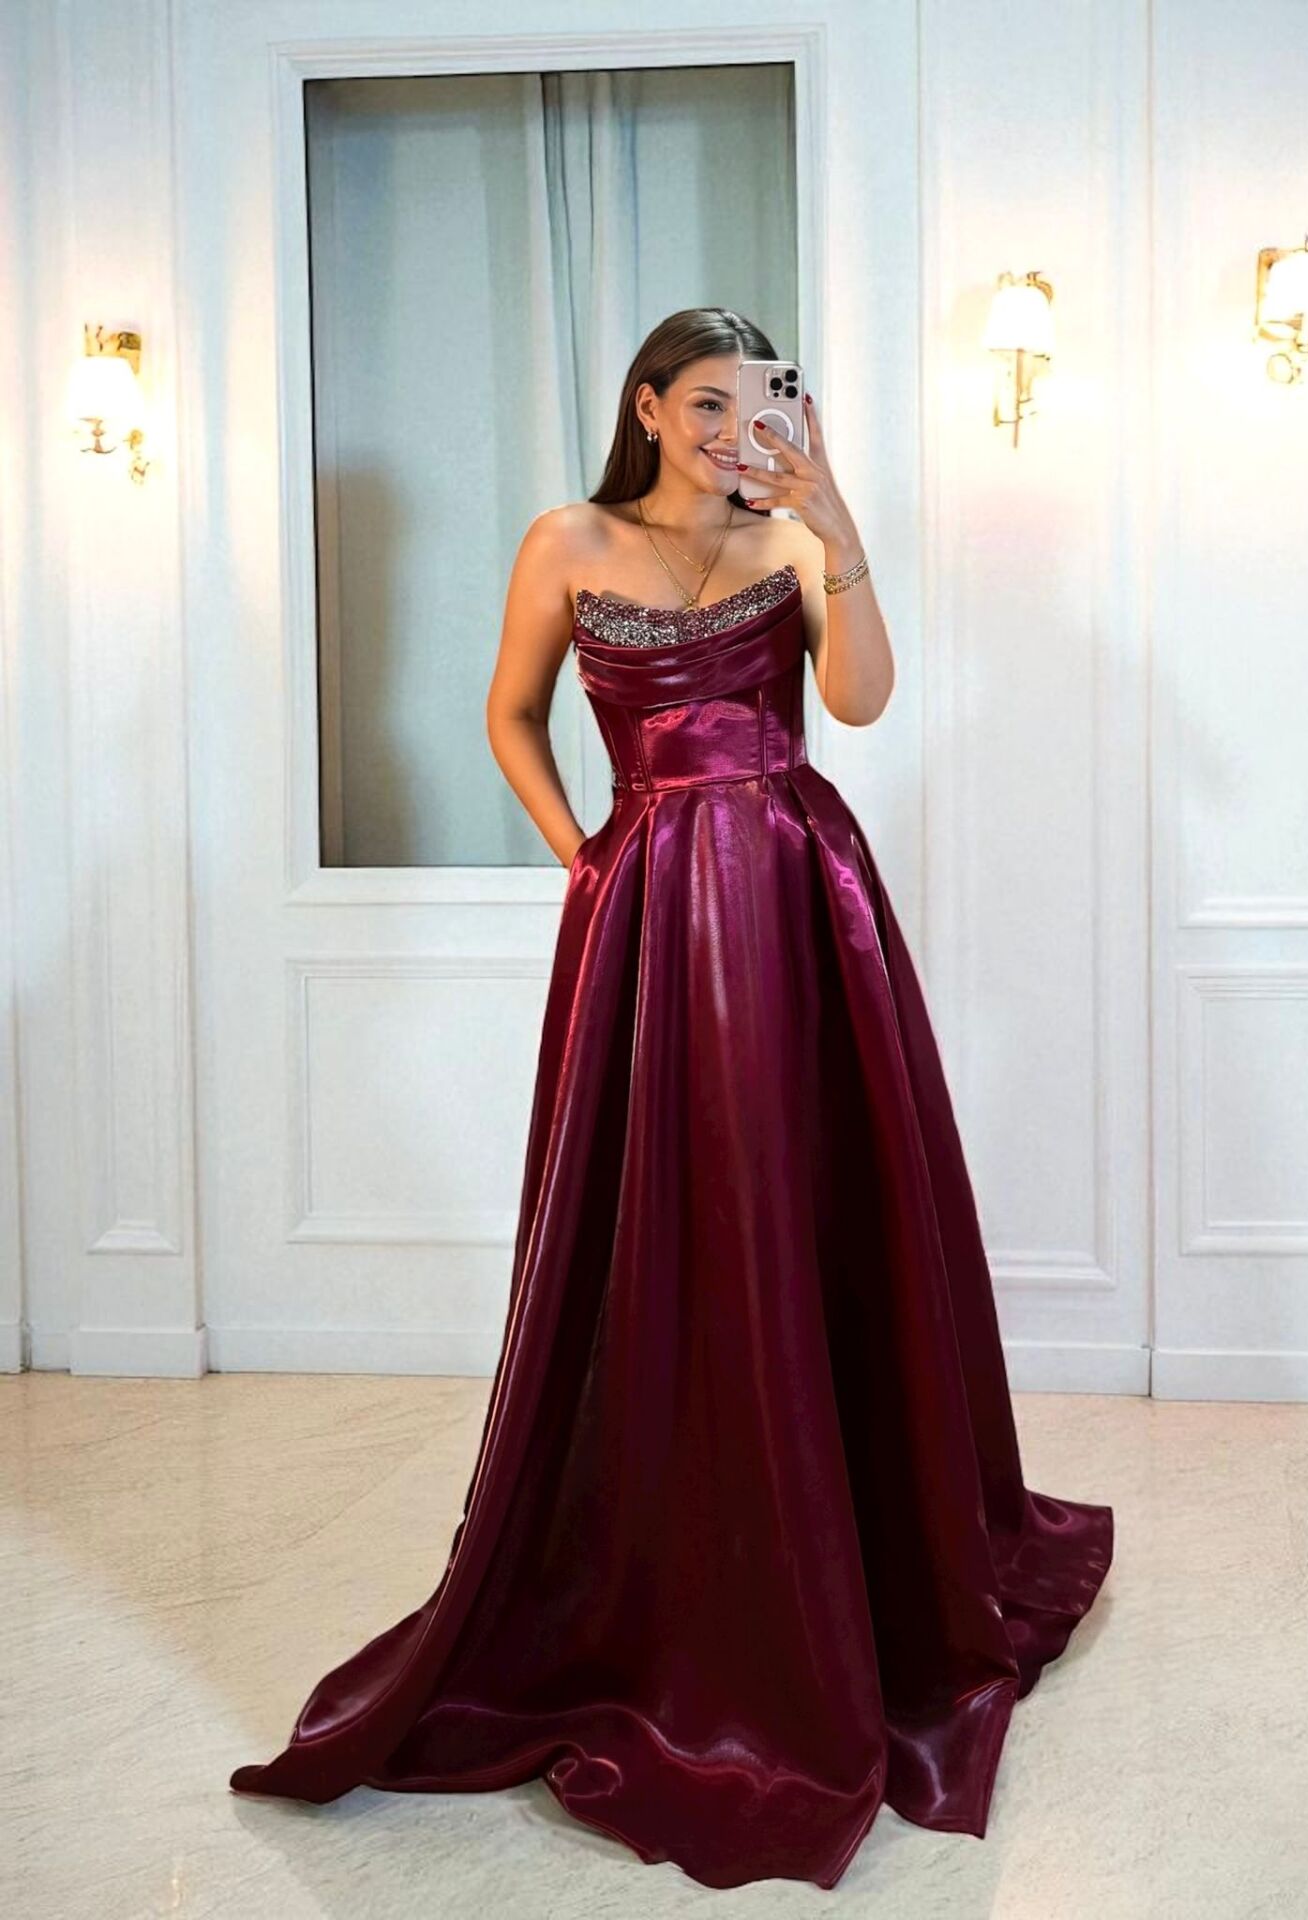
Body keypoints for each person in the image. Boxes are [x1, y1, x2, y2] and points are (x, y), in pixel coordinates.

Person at [229, 307, 1114, 1891]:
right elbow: (508, 715)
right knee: (661, 1217)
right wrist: (584, 856)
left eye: (759, 403)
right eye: (703, 403)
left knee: (814, 1198)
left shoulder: (790, 537)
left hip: (799, 887)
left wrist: (840, 527)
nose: (730, 431)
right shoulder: (567, 540)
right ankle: (667, 1557)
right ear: (646, 406)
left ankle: (854, 1539)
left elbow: (862, 703)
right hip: (643, 903)